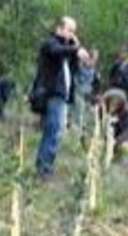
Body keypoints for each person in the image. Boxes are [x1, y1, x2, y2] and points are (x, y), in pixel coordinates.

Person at [33, 17, 89, 178]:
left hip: (61, 96)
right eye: (70, 30)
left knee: (54, 131)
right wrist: (76, 49)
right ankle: (44, 169)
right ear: (59, 29)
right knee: (53, 131)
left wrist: (75, 49)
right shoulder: (50, 43)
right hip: (52, 95)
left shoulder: (66, 48)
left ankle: (44, 166)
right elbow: (55, 50)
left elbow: (75, 67)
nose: (72, 34)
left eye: (74, 31)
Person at [72, 49, 100, 133]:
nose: (93, 62)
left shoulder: (95, 71)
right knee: (78, 112)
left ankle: (85, 132)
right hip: (79, 91)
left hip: (89, 94)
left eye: (95, 60)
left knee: (88, 113)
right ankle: (76, 131)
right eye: (92, 59)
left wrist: (96, 94)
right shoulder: (79, 66)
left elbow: (97, 84)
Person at [100, 87, 128, 155]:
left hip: (120, 138)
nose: (114, 105)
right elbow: (99, 126)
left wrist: (116, 141)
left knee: (126, 148)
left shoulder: (126, 112)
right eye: (112, 102)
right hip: (106, 136)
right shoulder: (102, 110)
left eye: (116, 103)